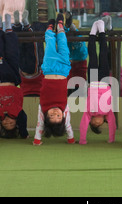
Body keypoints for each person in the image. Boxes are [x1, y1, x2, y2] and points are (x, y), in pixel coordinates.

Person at [33, 14, 75, 146]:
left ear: (45, 117)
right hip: (63, 69)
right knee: (63, 43)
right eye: (58, 116)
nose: (56, 113)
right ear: (63, 117)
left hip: (50, 68)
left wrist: (37, 140)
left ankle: (50, 28)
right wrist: (71, 139)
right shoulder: (64, 109)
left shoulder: (43, 108)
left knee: (50, 43)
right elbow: (68, 126)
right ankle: (60, 26)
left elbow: (40, 126)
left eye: (52, 116)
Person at [0, 14, 29, 141]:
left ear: (1, 124)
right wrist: (24, 133)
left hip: (1, 77)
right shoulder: (18, 113)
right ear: (16, 123)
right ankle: (9, 28)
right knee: (13, 53)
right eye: (11, 124)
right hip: (14, 78)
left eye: (6, 125)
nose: (8, 122)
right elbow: (24, 120)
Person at [79, 20, 116, 145]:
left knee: (93, 55)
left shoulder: (89, 113)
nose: (96, 122)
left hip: (94, 81)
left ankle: (92, 33)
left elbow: (83, 124)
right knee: (103, 55)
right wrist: (111, 139)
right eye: (98, 124)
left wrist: (82, 140)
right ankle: (102, 32)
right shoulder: (108, 113)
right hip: (105, 81)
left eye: (93, 123)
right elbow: (113, 125)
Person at [13, 10, 45, 97]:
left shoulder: (41, 95)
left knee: (32, 47)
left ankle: (26, 26)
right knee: (20, 49)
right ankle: (17, 27)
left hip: (34, 72)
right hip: (22, 73)